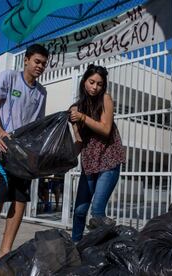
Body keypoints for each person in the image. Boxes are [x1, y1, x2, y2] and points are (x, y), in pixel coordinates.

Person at [0, 44, 49, 260]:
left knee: (20, 199)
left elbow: (38, 125)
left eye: (44, 64)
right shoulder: (8, 77)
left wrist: (35, 151)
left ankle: (5, 250)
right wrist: (0, 132)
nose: (40, 66)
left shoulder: (41, 92)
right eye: (37, 61)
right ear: (26, 60)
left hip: (23, 155)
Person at [69, 64, 126, 242]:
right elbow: (79, 139)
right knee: (79, 211)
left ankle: (101, 248)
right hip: (89, 164)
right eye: (92, 82)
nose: (95, 87)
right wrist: (67, 159)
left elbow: (106, 129)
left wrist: (83, 118)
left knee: (97, 212)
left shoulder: (106, 100)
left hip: (108, 161)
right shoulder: (76, 108)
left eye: (99, 84)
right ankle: (75, 246)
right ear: (84, 81)